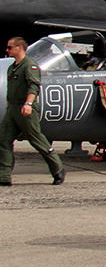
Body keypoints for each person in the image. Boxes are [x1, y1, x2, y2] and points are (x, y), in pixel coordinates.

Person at [1, 37, 65, 186]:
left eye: (10, 47)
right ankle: (4, 176)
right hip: (13, 109)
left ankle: (58, 169)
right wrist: (10, 107)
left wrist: (28, 103)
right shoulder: (13, 67)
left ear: (20, 48)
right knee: (3, 140)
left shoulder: (29, 66)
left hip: (26, 108)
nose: (7, 50)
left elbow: (34, 86)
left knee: (36, 139)